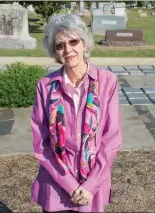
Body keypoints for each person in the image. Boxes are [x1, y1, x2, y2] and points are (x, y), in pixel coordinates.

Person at [30, 14, 122, 213]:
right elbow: (41, 143)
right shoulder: (45, 86)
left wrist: (90, 185)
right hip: (56, 184)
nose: (68, 49)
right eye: (60, 45)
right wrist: (70, 184)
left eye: (73, 41)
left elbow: (111, 138)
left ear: (84, 44)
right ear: (54, 52)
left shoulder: (107, 82)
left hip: (92, 186)